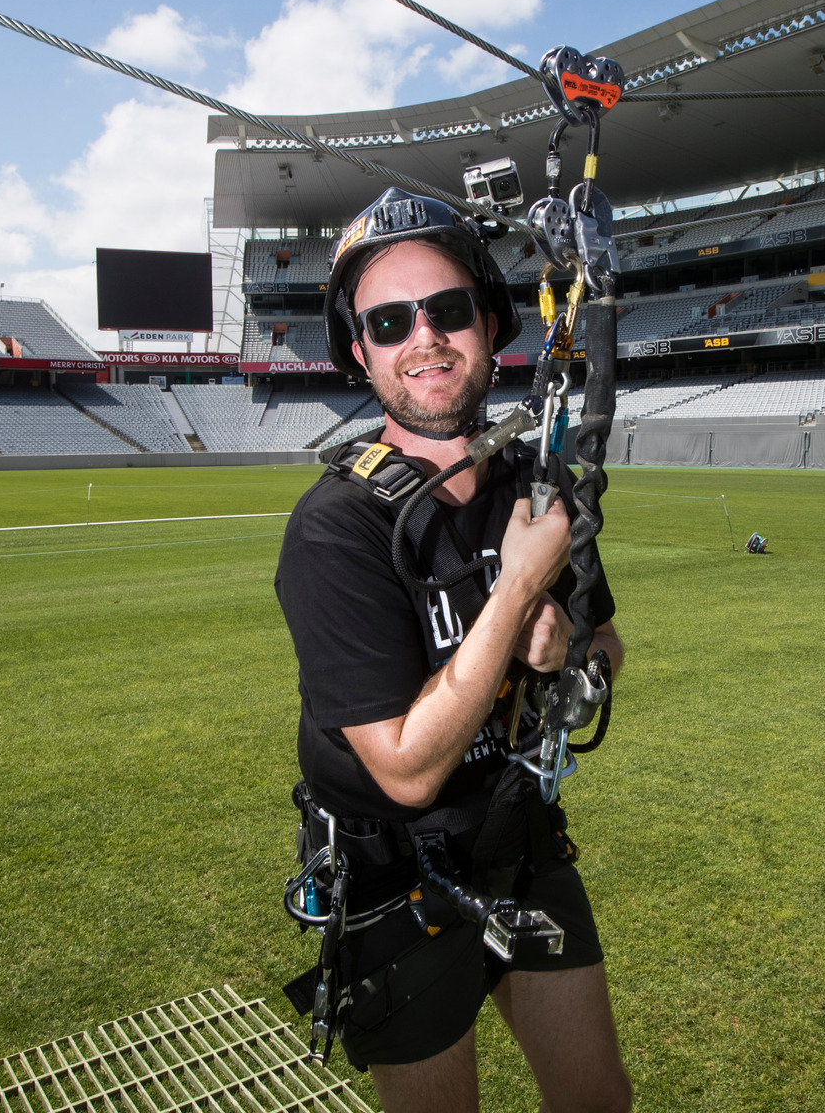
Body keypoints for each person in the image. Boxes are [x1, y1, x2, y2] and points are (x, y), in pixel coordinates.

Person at [275, 188, 632, 1113]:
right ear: (361, 351)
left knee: (600, 1100)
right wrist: (516, 594)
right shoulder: (336, 530)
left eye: (446, 310)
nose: (422, 338)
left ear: (490, 322)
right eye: (389, 321)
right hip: (398, 881)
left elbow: (607, 643)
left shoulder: (532, 484)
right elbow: (402, 769)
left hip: (520, 840)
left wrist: (570, 662)